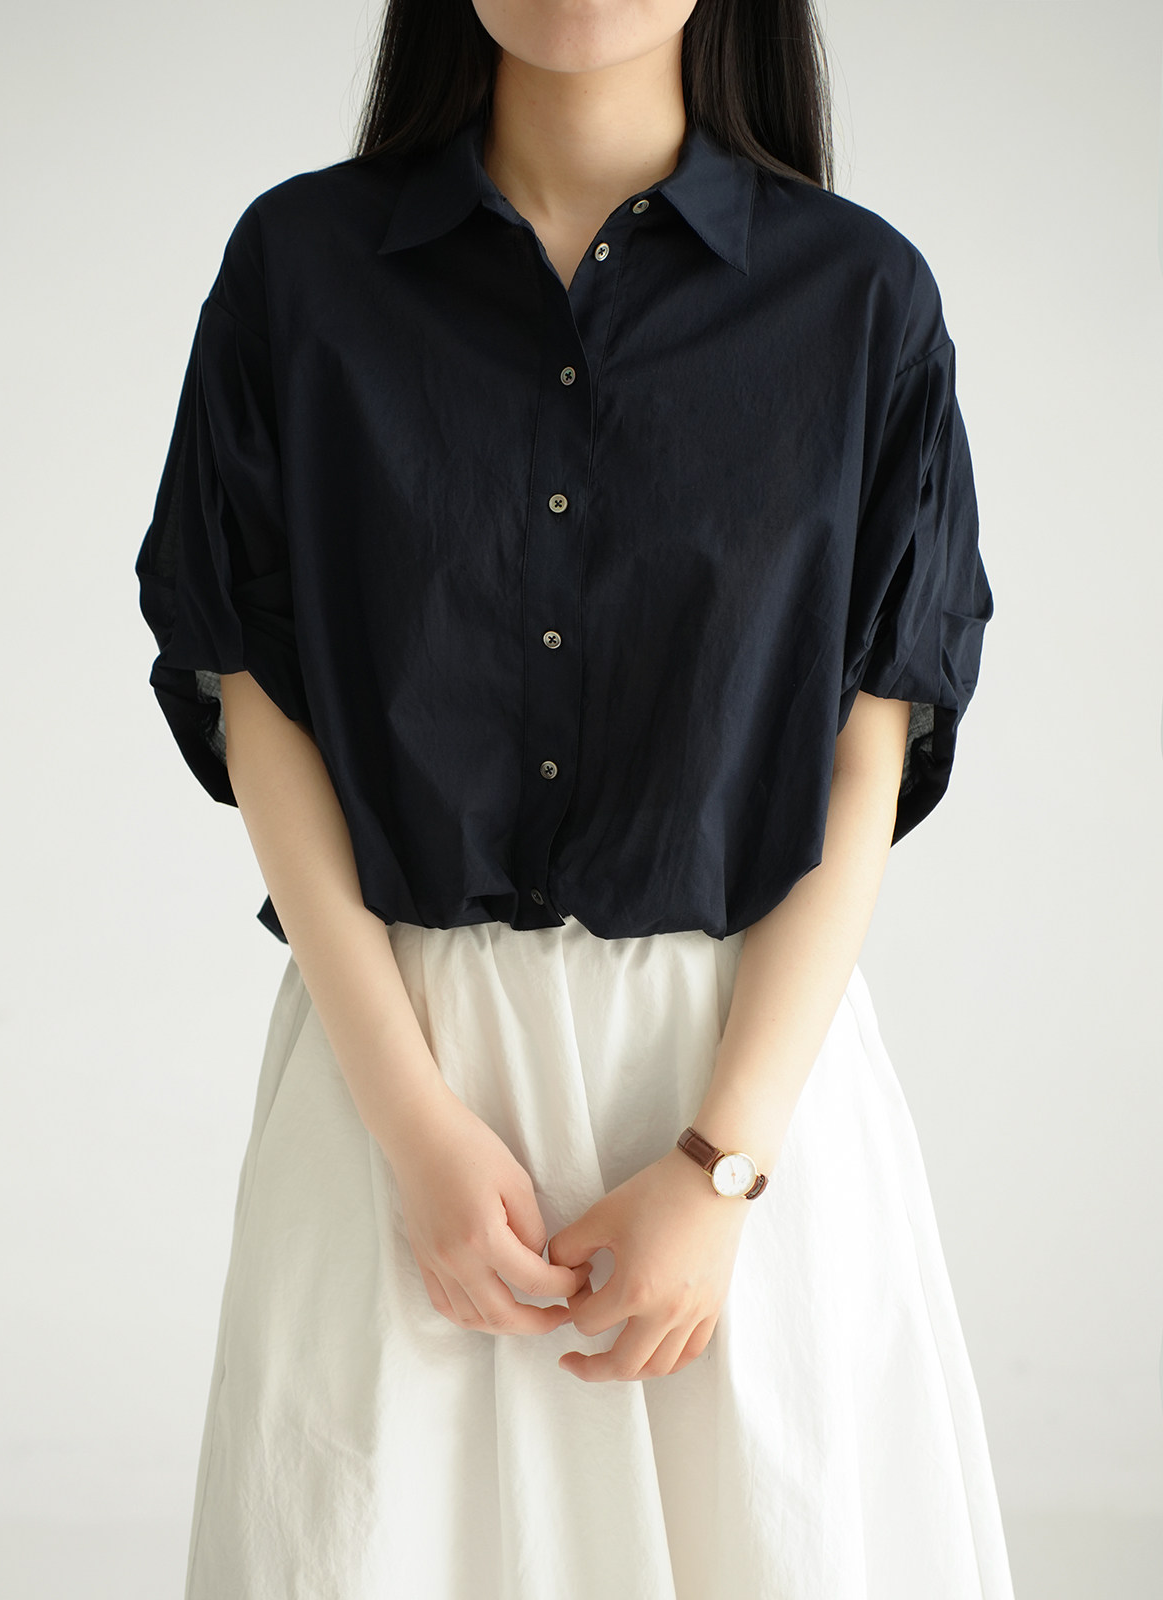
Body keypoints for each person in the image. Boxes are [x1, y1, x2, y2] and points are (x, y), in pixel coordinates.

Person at [135, 1, 1018, 1595]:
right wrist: (412, 1126)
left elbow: (863, 758)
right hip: (396, 1079)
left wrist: (722, 1168)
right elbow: (255, 697)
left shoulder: (861, 300)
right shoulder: (299, 272)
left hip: (740, 1086)